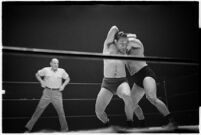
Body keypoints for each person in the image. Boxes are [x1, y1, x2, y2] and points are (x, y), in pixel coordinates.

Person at [125, 34, 177, 128]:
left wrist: (126, 38)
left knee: (151, 97)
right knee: (131, 103)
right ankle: (142, 124)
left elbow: (130, 41)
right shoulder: (125, 52)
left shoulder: (137, 44)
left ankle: (171, 121)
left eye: (125, 41)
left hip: (145, 74)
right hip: (137, 79)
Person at [95, 26, 134, 127]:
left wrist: (126, 44)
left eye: (125, 43)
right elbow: (114, 28)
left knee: (127, 96)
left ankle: (130, 123)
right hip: (108, 83)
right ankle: (108, 124)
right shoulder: (107, 45)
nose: (123, 45)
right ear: (115, 41)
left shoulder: (125, 51)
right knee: (98, 112)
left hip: (121, 81)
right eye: (121, 43)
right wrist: (121, 34)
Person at [25, 58, 70, 132]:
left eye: (57, 63)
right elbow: (37, 74)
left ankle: (65, 130)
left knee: (61, 112)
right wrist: (41, 81)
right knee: (38, 110)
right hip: (47, 93)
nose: (56, 65)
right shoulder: (46, 70)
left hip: (57, 94)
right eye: (54, 63)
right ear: (51, 63)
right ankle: (28, 128)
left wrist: (63, 86)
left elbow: (68, 78)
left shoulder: (61, 71)